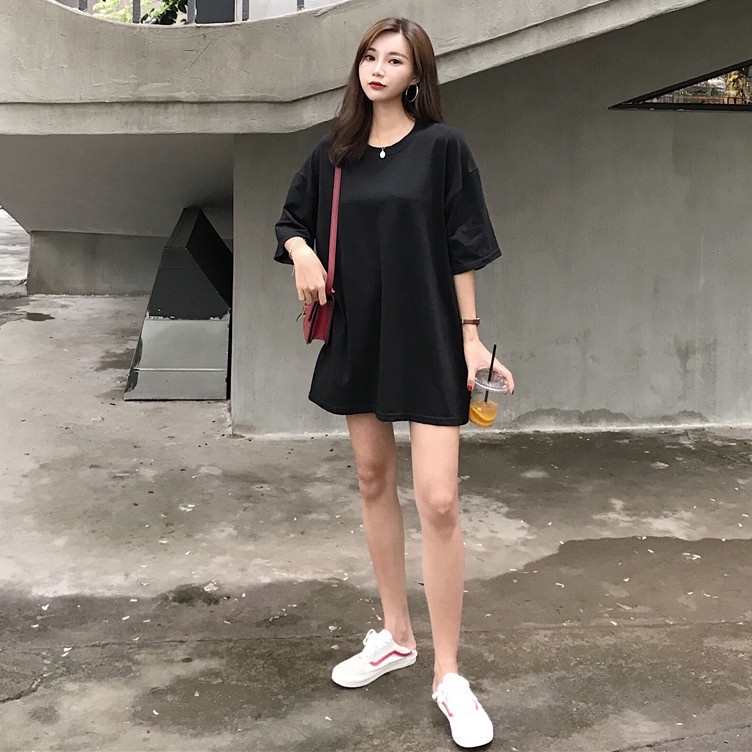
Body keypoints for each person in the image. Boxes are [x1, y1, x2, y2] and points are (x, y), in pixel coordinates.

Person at [275, 17, 514, 749]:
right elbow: (290, 218)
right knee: (374, 480)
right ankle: (397, 638)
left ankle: (449, 675)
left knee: (438, 500)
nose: (377, 68)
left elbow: (463, 246)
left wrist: (471, 338)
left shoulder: (442, 148)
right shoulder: (335, 153)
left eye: (395, 60)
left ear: (416, 75)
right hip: (362, 333)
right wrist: (302, 252)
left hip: (429, 337)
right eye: (370, 56)